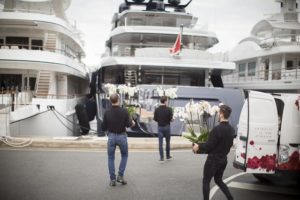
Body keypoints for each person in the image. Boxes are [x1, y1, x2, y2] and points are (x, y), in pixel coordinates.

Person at [193, 105, 235, 200]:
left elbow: (209, 146)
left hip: (213, 160)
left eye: (219, 113)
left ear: (221, 114)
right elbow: (229, 145)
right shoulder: (231, 130)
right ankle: (230, 198)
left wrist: (198, 146)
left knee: (206, 181)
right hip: (223, 159)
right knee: (218, 180)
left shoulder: (217, 129)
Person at [102, 93, 135, 186]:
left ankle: (112, 180)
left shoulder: (107, 112)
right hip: (122, 136)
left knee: (110, 158)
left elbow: (103, 127)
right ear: (118, 100)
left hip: (111, 136)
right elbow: (129, 124)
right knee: (124, 156)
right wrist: (133, 123)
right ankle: (120, 176)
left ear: (110, 101)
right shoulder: (124, 111)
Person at [154, 96, 173, 162]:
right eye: (167, 100)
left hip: (160, 127)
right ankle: (168, 156)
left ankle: (161, 157)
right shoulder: (169, 109)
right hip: (167, 127)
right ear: (165, 101)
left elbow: (155, 119)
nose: (167, 102)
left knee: (160, 143)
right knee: (168, 142)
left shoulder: (157, 109)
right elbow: (171, 119)